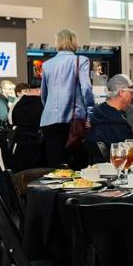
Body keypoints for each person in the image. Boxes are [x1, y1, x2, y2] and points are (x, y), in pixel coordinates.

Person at [39, 28, 95, 167]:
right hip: (73, 121)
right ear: (74, 41)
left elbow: (44, 95)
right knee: (78, 165)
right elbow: (86, 89)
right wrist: (90, 114)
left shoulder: (47, 65)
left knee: (55, 166)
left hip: (48, 121)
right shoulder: (81, 61)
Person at [87, 74, 133, 151]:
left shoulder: (99, 113)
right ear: (121, 93)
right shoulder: (116, 123)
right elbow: (130, 152)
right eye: (131, 93)